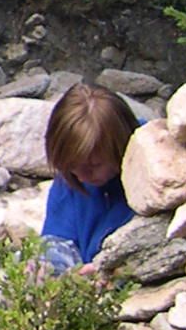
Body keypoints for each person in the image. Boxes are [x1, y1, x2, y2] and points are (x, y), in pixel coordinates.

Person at [41, 83, 136, 269]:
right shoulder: (70, 178)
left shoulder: (154, 164)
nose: (82, 176)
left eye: (93, 165)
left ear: (120, 146)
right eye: (71, 167)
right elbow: (55, 240)